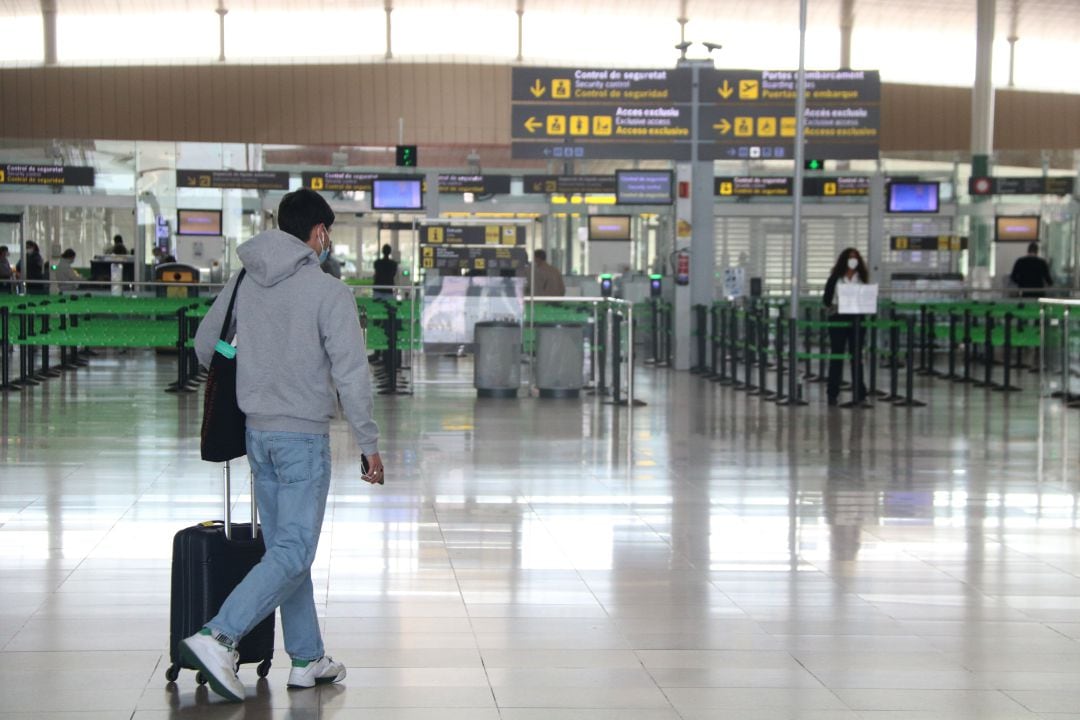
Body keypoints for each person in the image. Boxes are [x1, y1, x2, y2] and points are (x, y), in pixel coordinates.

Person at [186, 188, 384, 703]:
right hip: (302, 437)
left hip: (257, 434)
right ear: (318, 233)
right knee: (294, 550)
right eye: (328, 233)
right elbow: (352, 375)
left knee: (286, 551)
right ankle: (219, 635)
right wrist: (368, 442)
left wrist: (253, 367)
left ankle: (306, 656)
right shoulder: (329, 292)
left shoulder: (244, 281)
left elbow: (206, 345)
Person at [822, 247, 870, 407]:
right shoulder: (835, 278)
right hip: (838, 317)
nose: (852, 260)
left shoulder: (861, 278)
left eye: (855, 257)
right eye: (850, 257)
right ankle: (832, 393)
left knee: (856, 357)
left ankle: (860, 393)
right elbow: (826, 299)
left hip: (857, 318)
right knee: (837, 356)